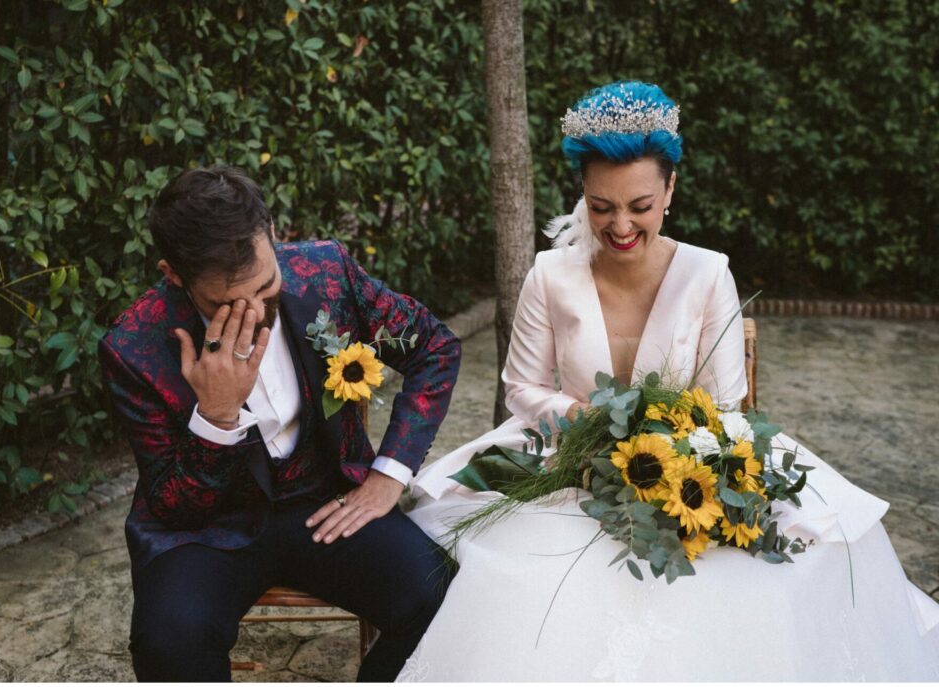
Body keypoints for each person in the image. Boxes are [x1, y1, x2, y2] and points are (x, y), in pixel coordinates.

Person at [397, 82, 939, 681]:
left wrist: (672, 450)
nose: (620, 225)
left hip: (690, 462)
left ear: (670, 190)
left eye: (640, 205)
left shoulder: (709, 274)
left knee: (800, 562)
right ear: (583, 194)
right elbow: (522, 388)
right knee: (510, 570)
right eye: (601, 207)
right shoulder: (549, 275)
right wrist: (590, 427)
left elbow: (726, 404)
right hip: (565, 463)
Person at [97, 167, 461, 682]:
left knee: (439, 594)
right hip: (207, 529)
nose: (256, 313)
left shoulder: (325, 272)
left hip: (324, 497)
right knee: (168, 645)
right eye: (227, 304)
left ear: (272, 232)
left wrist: (388, 474)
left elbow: (434, 347)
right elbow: (174, 505)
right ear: (174, 274)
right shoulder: (132, 346)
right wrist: (216, 418)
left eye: (267, 288)